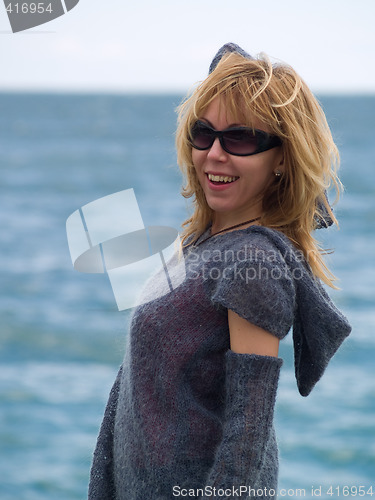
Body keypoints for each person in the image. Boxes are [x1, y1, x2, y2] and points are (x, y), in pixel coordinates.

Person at [88, 43, 351, 500]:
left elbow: (246, 443)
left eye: (241, 139)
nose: (214, 154)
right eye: (203, 132)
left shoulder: (252, 262)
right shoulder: (205, 242)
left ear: (283, 157)